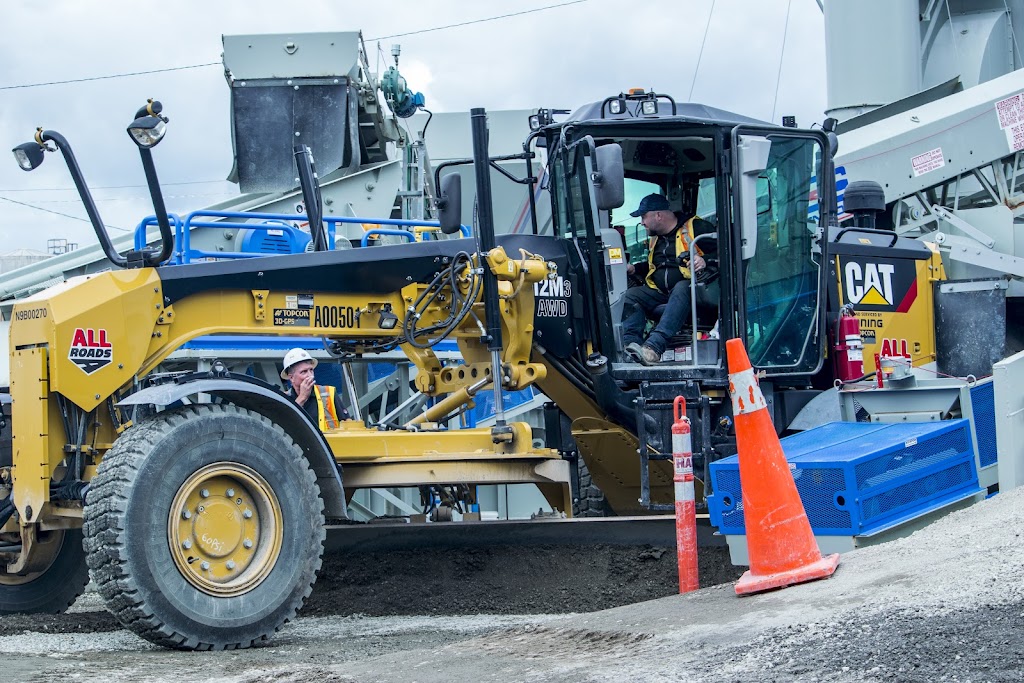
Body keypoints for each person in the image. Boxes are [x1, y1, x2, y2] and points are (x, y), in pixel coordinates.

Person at [622, 193, 719, 365]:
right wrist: (635, 268)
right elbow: (658, 267)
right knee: (631, 295)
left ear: (658, 215)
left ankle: (653, 349)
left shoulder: (695, 227)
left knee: (682, 286)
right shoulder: (655, 240)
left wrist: (705, 260)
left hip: (695, 292)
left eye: (644, 216)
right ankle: (631, 347)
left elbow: (725, 250)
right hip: (662, 293)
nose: (642, 222)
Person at [281, 348, 350, 430]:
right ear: (291, 377)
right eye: (304, 372)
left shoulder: (328, 393)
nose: (310, 375)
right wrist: (301, 398)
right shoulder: (284, 399)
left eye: (311, 370)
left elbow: (348, 424)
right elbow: (283, 427)